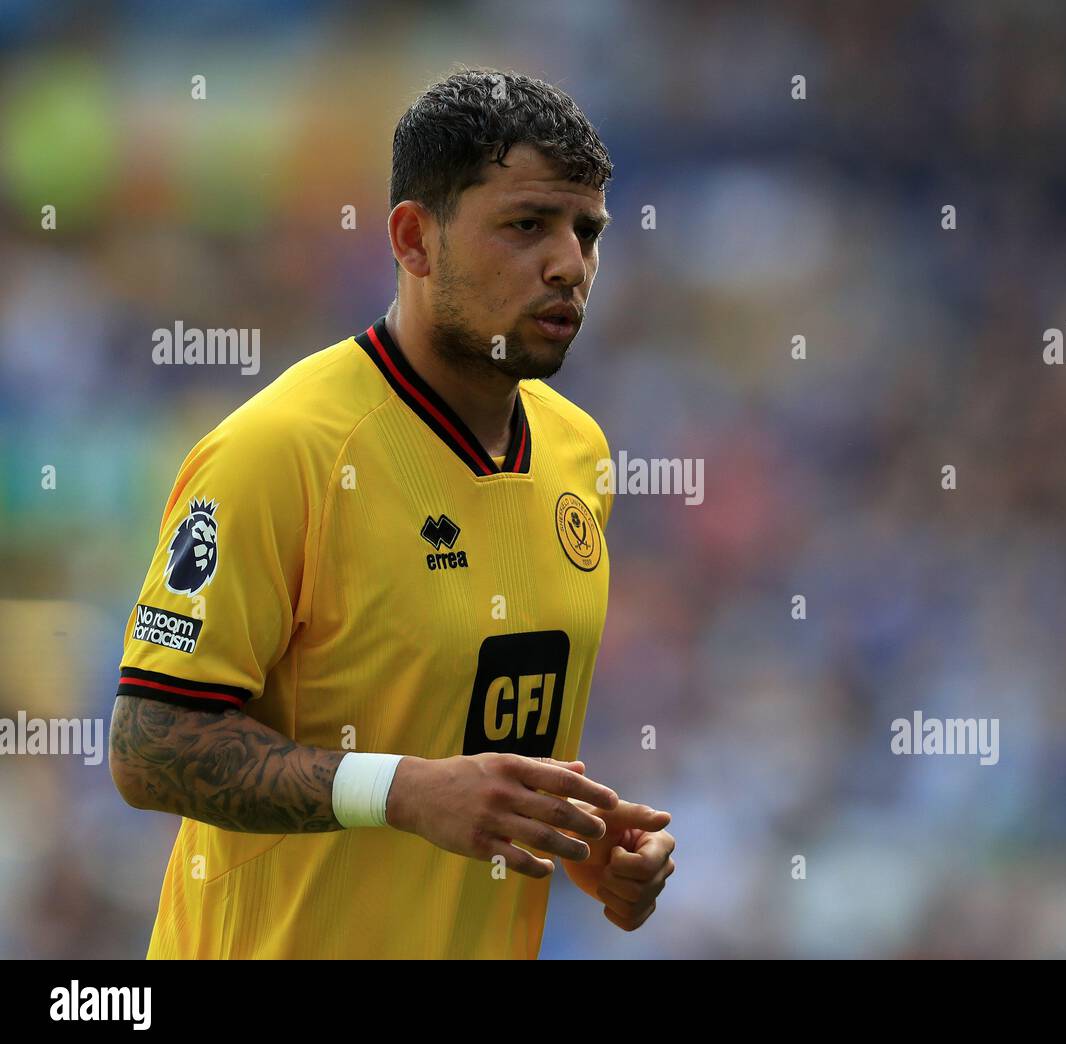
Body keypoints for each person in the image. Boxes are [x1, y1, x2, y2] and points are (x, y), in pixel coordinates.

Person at [109, 67, 675, 959]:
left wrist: (578, 838)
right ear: (414, 240)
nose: (570, 263)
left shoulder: (580, 455)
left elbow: (454, 737)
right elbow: (149, 745)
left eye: (586, 230)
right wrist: (404, 792)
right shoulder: (280, 451)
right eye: (527, 225)